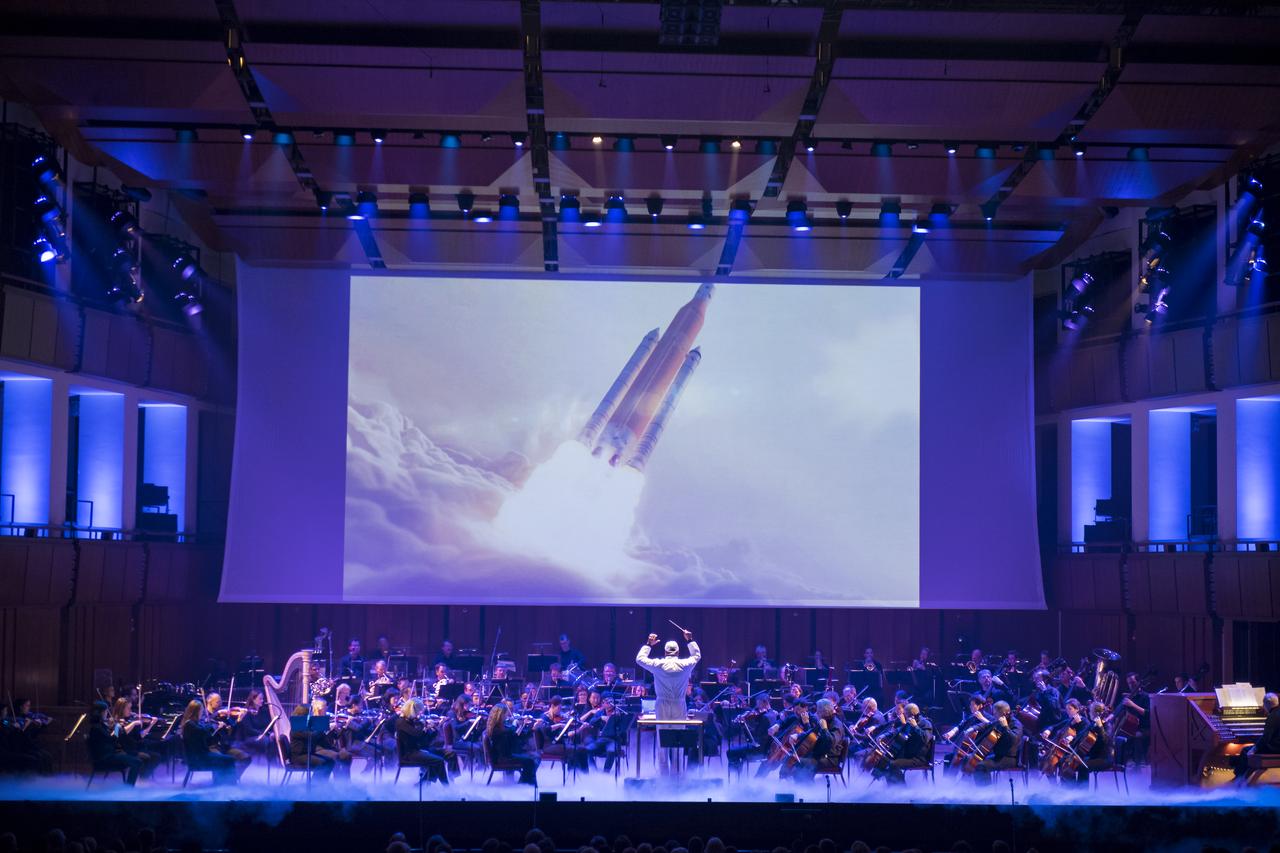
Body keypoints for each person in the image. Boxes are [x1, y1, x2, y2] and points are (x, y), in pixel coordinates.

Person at [635, 629, 701, 772]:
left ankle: (664, 777)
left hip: (662, 703)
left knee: (662, 740)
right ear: (677, 652)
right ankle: (677, 775)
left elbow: (639, 659)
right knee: (679, 739)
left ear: (665, 652)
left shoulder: (658, 664)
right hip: (679, 703)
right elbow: (697, 656)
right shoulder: (685, 665)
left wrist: (648, 645)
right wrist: (690, 640)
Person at [180, 699, 245, 784]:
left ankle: (224, 783)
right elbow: (203, 732)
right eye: (201, 711)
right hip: (198, 757)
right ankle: (228, 785)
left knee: (227, 759)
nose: (202, 713)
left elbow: (207, 737)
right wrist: (214, 726)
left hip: (201, 754)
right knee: (229, 759)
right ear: (196, 711)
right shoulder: (190, 724)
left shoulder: (194, 723)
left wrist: (217, 728)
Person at [875, 702, 932, 784]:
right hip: (908, 754)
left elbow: (925, 739)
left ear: (911, 714)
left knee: (893, 764)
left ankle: (901, 789)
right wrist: (884, 736)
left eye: (905, 714)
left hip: (918, 758)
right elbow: (897, 732)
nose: (903, 715)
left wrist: (915, 727)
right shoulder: (909, 722)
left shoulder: (925, 723)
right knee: (884, 759)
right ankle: (886, 785)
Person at [86, 701, 141, 785]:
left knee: (134, 758)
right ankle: (129, 788)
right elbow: (112, 740)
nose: (107, 714)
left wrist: (113, 727)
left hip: (109, 756)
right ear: (100, 713)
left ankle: (129, 787)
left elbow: (108, 738)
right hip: (105, 759)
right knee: (137, 762)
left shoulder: (98, 725)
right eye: (105, 712)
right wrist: (116, 728)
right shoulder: (97, 727)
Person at [395, 698, 448, 784]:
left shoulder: (412, 721)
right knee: (438, 761)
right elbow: (417, 734)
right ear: (412, 710)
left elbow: (423, 741)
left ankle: (422, 783)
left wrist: (434, 729)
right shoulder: (401, 722)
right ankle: (447, 787)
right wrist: (425, 727)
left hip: (417, 750)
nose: (420, 714)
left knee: (440, 757)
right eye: (419, 711)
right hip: (408, 754)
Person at [970, 701, 1022, 784]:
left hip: (1009, 758)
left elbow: (1014, 740)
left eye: (995, 713)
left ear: (1004, 713)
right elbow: (988, 725)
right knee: (972, 760)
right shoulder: (998, 722)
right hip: (998, 755)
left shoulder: (1016, 724)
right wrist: (973, 729)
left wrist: (1005, 727)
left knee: (981, 767)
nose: (993, 715)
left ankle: (985, 793)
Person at [486, 703, 539, 785]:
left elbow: (515, 736)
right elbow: (513, 736)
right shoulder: (497, 730)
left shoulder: (500, 727)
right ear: (500, 715)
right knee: (530, 761)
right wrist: (515, 725)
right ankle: (525, 784)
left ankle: (524, 782)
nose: (507, 716)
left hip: (505, 754)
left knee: (532, 758)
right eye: (505, 714)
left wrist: (529, 728)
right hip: (503, 757)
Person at [1233, 692, 1280, 779]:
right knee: (1253, 747)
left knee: (1245, 751)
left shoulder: (1272, 716)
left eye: (1263, 704)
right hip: (1277, 745)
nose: (1263, 706)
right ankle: (1244, 779)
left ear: (1266, 704)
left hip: (1275, 748)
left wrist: (1254, 749)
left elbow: (1266, 738)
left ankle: (1238, 780)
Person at [727, 694, 776, 770]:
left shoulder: (765, 718)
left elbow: (754, 736)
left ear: (765, 703)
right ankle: (738, 773)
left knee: (730, 752)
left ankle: (735, 775)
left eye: (758, 704)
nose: (756, 707)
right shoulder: (773, 714)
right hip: (767, 748)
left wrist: (744, 725)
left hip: (759, 749)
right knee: (735, 751)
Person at [1113, 672, 1151, 766]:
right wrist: (1110, 717)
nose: (1131, 685)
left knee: (1136, 737)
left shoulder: (1146, 696)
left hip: (1144, 728)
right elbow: (1117, 711)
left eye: (1133, 682)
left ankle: (1138, 766)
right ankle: (1120, 765)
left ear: (1138, 682)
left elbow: (1148, 714)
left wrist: (1133, 705)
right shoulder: (1128, 697)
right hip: (1130, 727)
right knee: (1118, 738)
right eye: (1129, 683)